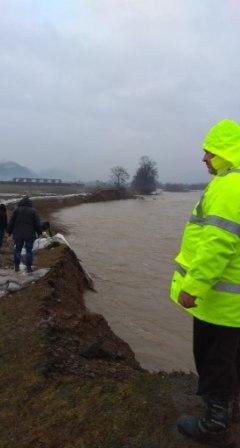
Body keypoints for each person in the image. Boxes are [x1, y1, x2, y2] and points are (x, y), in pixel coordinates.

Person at [170, 119, 240, 447]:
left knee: (213, 360)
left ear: (224, 152)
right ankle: (230, 410)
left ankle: (215, 423)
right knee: (229, 358)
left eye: (209, 152)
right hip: (233, 302)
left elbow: (217, 245)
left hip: (219, 302)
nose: (204, 158)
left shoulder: (228, 187)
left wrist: (193, 286)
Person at [7, 196, 42, 273]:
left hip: (18, 234)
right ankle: (29, 267)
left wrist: (9, 231)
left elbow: (11, 222)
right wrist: (40, 232)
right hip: (29, 234)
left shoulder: (17, 210)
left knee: (17, 250)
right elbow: (37, 224)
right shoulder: (34, 211)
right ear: (30, 203)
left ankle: (16, 267)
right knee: (29, 250)